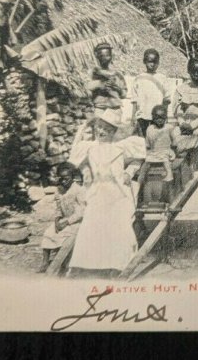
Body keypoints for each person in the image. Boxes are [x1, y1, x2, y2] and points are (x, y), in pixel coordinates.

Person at [67, 110, 145, 276]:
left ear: (113, 132)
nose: (101, 132)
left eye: (106, 129)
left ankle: (117, 264)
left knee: (118, 226)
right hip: (98, 191)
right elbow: (78, 159)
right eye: (99, 128)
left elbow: (139, 159)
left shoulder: (121, 147)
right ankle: (88, 264)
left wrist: (129, 172)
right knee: (92, 224)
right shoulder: (90, 148)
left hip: (118, 193)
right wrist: (86, 171)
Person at [38, 162, 86, 273]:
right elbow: (58, 208)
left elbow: (82, 212)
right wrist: (57, 220)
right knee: (49, 232)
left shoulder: (78, 190)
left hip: (76, 222)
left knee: (65, 238)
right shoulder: (59, 190)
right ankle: (45, 261)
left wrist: (66, 222)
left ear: (73, 177)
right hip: (64, 219)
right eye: (61, 179)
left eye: (66, 178)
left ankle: (62, 263)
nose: (64, 181)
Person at [137, 104, 175, 205]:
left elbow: (174, 141)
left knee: (165, 160)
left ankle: (169, 174)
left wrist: (173, 149)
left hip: (166, 150)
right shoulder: (150, 129)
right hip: (155, 151)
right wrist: (148, 150)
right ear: (153, 118)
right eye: (157, 118)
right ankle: (141, 177)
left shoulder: (169, 128)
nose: (159, 120)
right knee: (147, 161)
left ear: (166, 118)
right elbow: (148, 143)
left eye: (162, 118)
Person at [132, 48, 172, 137]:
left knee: (156, 140)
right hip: (142, 116)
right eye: (150, 61)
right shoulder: (139, 78)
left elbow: (166, 99)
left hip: (158, 117)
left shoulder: (162, 78)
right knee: (142, 141)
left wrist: (165, 116)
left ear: (158, 63)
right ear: (144, 61)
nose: (152, 64)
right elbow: (134, 99)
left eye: (155, 62)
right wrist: (133, 117)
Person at [86, 43, 127, 116]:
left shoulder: (117, 74)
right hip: (100, 109)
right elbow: (86, 89)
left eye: (107, 55)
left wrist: (118, 89)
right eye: (102, 56)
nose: (104, 58)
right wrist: (99, 84)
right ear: (97, 56)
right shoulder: (92, 73)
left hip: (115, 109)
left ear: (111, 56)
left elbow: (124, 94)